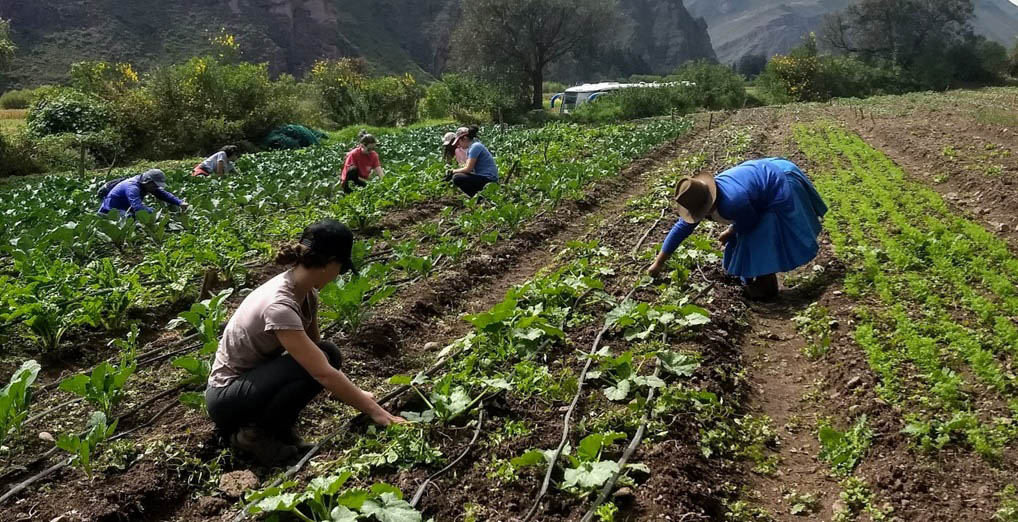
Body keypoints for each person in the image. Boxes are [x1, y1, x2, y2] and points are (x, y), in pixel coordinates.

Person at [205, 219, 405, 466]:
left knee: (328, 353)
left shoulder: (305, 293)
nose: (337, 276)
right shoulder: (280, 304)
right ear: (330, 263)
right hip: (227, 397)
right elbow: (321, 373)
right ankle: (254, 437)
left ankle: (279, 430)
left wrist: (354, 394)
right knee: (320, 364)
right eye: (341, 269)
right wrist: (378, 413)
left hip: (252, 383)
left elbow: (317, 353)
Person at [647, 158, 828, 300]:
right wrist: (658, 263)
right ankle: (752, 277)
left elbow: (751, 223)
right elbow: (681, 228)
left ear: (708, 204)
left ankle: (766, 286)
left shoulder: (732, 202)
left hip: (781, 180)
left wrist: (730, 231)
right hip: (767, 173)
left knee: (759, 235)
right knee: (743, 237)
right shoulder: (701, 195)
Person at [97, 169, 188, 216]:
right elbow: (138, 208)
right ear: (147, 181)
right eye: (155, 185)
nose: (156, 188)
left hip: (125, 208)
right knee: (132, 218)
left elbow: (162, 194)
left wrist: (179, 202)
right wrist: (155, 213)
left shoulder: (145, 184)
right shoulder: (132, 187)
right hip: (110, 211)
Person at [446, 126, 498, 197]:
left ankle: (478, 198)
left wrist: (453, 171)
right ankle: (479, 196)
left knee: (457, 177)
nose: (458, 144)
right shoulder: (473, 147)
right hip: (483, 177)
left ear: (465, 139)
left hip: (489, 179)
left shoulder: (475, 147)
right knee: (458, 175)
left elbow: (468, 169)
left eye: (459, 141)